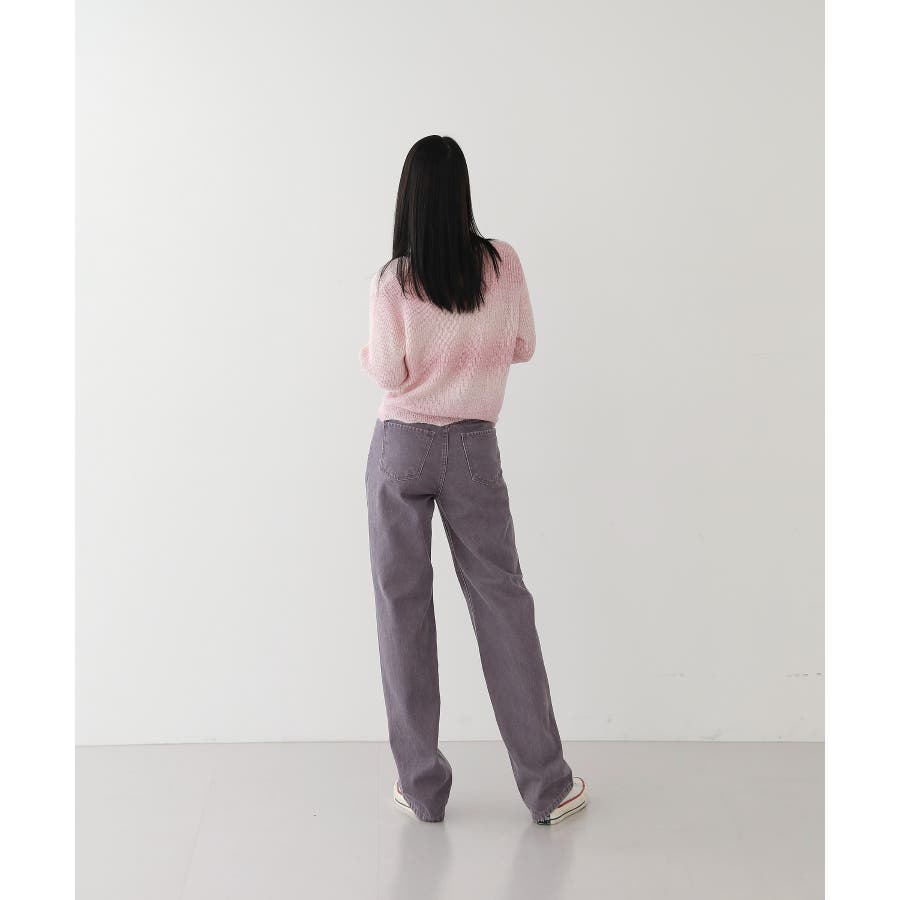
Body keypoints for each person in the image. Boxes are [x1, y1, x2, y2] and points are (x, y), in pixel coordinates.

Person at [360, 135, 587, 826]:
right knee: (502, 603)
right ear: (462, 193)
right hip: (473, 450)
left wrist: (372, 354)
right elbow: (523, 345)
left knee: (402, 608)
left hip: (401, 446)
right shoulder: (502, 263)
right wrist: (470, 354)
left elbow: (390, 372)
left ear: (408, 199)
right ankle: (548, 786)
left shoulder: (395, 281)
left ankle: (422, 789)